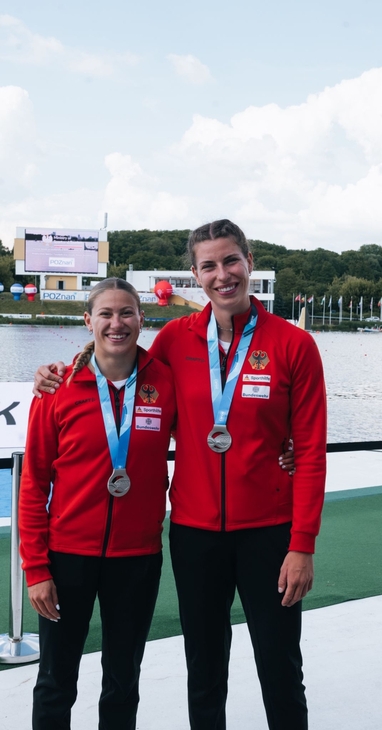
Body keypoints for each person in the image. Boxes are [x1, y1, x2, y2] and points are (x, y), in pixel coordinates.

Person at [33, 219, 326, 730]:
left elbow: (312, 451)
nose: (222, 274)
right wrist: (54, 374)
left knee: (280, 669)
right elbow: (120, 368)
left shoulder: (293, 346)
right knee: (204, 672)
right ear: (195, 275)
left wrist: (302, 543)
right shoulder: (173, 341)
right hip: (194, 534)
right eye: (208, 265)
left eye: (230, 260)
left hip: (269, 534)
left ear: (248, 263)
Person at [19, 278, 176, 730]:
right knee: (55, 681)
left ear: (142, 320)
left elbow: (214, 433)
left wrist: (283, 447)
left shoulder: (164, 383)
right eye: (105, 314)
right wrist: (37, 569)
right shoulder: (57, 389)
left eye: (126, 312)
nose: (116, 323)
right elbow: (34, 485)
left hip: (137, 558)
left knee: (123, 679)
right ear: (88, 321)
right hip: (67, 558)